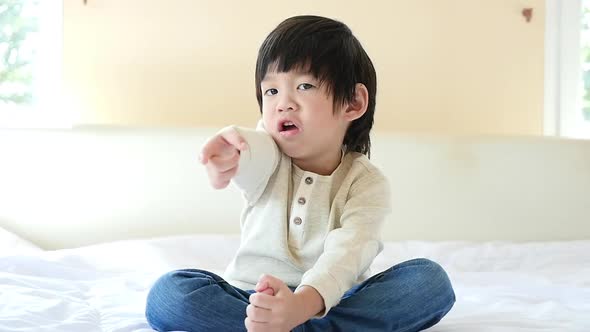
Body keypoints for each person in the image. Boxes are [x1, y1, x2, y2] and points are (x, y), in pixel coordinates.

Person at [145, 15, 455, 332]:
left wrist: (300, 307)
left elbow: (349, 252)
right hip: (250, 300)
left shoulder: (365, 183)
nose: (283, 103)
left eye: (304, 86)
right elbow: (252, 149)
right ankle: (284, 325)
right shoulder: (268, 155)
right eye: (271, 91)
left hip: (329, 300)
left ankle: (291, 327)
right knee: (170, 294)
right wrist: (230, 150)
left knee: (429, 282)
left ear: (353, 101)